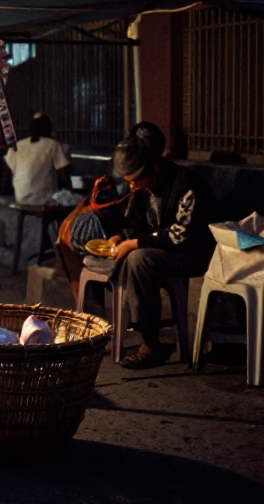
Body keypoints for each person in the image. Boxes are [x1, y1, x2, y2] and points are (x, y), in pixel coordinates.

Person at [109, 126, 216, 369]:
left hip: (191, 253)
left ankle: (150, 344)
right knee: (122, 257)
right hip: (159, 251)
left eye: (137, 180)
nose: (133, 186)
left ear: (154, 166)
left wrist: (135, 243)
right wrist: (121, 237)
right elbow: (134, 224)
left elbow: (181, 236)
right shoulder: (140, 189)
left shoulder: (186, 185)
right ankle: (129, 329)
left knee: (138, 259)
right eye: (130, 182)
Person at [5, 113, 72, 205]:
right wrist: (70, 191)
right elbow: (63, 174)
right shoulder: (52, 145)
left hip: (20, 198)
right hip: (46, 199)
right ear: (49, 129)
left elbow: (10, 170)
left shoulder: (18, 146)